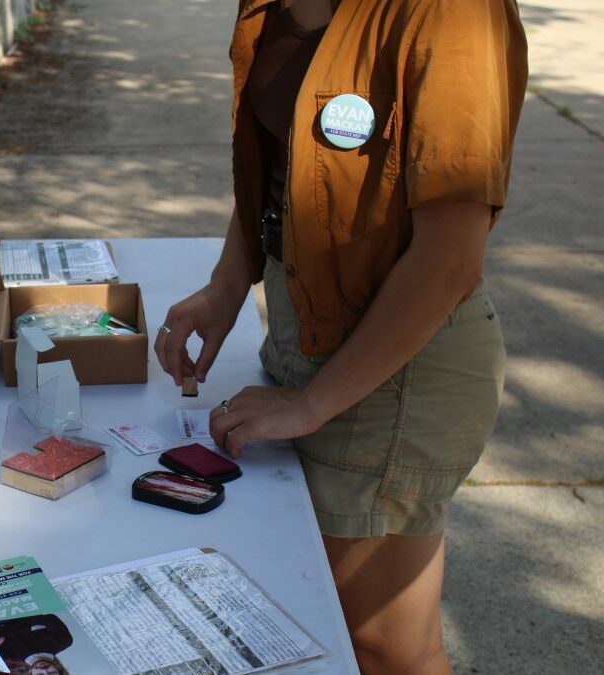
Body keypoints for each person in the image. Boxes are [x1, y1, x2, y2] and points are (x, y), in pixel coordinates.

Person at [155, 1, 526, 673]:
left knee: (385, 647)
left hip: (396, 369)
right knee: (319, 624)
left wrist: (311, 402)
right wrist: (227, 284)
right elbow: (282, 170)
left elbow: (450, 258)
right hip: (311, 342)